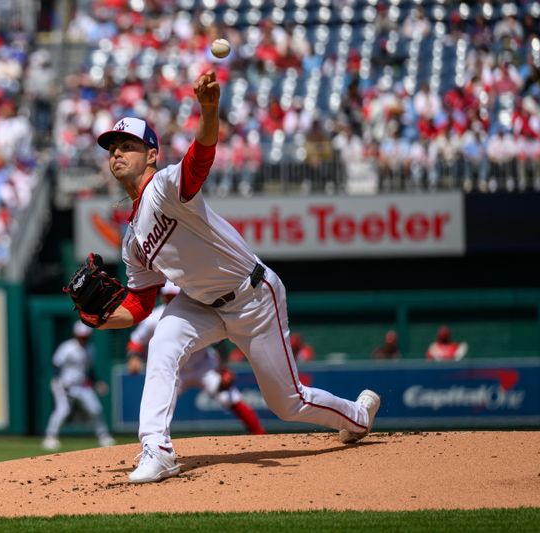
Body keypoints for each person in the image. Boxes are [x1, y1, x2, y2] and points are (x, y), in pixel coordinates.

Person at [82, 70, 380, 484]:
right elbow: (139, 304)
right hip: (200, 303)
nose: (116, 153)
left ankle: (359, 416)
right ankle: (157, 448)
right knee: (163, 341)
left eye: (127, 145)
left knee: (287, 403)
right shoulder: (132, 241)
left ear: (151, 154)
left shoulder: (166, 185)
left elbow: (200, 158)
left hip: (252, 295)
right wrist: (96, 318)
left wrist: (208, 108)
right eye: (112, 147)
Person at [126, 281, 265, 435]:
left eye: (175, 296)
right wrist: (134, 357)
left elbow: (220, 343)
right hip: (175, 372)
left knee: (229, 397)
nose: (172, 300)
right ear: (163, 297)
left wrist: (224, 367)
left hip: (204, 367)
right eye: (169, 296)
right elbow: (136, 341)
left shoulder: (196, 315)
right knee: (158, 402)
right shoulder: (155, 318)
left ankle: (260, 435)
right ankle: (153, 442)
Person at [41, 322, 116, 451]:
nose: (83, 339)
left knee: (95, 409)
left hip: (81, 384)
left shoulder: (90, 348)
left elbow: (88, 369)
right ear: (76, 335)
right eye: (81, 336)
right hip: (63, 384)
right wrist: (59, 382)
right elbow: (56, 365)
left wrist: (97, 382)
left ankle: (103, 436)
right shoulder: (67, 347)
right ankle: (50, 437)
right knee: (63, 410)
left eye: (85, 336)